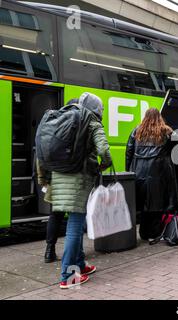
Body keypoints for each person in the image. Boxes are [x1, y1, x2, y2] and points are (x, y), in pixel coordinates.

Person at [37, 92, 112, 289]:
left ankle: (80, 265)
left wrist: (43, 177)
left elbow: (42, 151)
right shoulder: (92, 122)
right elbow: (104, 151)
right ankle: (68, 276)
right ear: (97, 109)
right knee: (75, 226)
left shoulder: (62, 118)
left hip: (59, 177)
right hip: (79, 180)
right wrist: (104, 165)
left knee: (73, 222)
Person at [126, 108, 178, 244]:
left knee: (143, 204)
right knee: (157, 204)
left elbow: (129, 152)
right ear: (159, 117)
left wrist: (129, 171)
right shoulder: (165, 131)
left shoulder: (136, 130)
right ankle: (154, 233)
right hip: (158, 173)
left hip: (139, 172)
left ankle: (143, 233)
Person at [37, 98, 79, 263]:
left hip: (55, 181)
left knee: (55, 215)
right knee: (75, 217)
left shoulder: (51, 125)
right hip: (72, 180)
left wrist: (42, 179)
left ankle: (49, 251)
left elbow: (40, 156)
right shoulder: (76, 126)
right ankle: (74, 256)